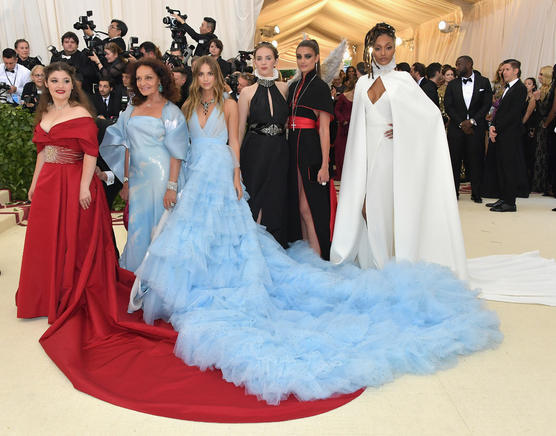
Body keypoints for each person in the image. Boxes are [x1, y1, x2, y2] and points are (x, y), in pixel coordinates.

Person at [121, 54, 501, 407]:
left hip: (221, 169)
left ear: (216, 76)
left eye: (209, 73)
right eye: (200, 73)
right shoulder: (187, 106)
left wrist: (236, 173)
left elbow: (234, 140)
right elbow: (182, 145)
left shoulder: (231, 101)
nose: (204, 78)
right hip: (195, 173)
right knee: (195, 234)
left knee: (232, 232)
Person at [330, 23, 467, 279]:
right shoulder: (361, 84)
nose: (383, 53)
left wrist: (404, 128)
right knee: (365, 204)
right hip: (366, 152)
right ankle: (372, 257)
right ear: (371, 49)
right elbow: (359, 122)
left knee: (386, 204)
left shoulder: (404, 80)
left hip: (391, 153)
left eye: (389, 47)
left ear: (395, 48)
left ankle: (388, 261)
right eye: (378, 48)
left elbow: (431, 116)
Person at [16, 61, 133, 322]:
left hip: (73, 179)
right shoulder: (44, 111)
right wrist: (34, 184)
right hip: (49, 181)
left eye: (66, 81)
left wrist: (83, 188)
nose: (61, 86)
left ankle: (71, 291)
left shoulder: (80, 113)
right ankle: (46, 293)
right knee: (47, 237)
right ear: (45, 83)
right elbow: (42, 153)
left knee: (72, 237)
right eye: (55, 81)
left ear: (74, 85)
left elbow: (91, 152)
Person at [98, 58, 188, 272]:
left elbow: (177, 154)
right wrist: (126, 181)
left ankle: (160, 280)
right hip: (138, 181)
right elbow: (127, 145)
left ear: (160, 80)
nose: (142, 82)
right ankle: (137, 278)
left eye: (148, 77)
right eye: (138, 78)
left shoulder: (171, 111)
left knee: (160, 228)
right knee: (139, 228)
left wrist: (172, 187)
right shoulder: (131, 109)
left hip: (162, 178)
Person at [287, 39, 335, 260]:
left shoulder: (320, 87)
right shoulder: (295, 86)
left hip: (310, 150)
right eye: (299, 56)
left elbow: (324, 130)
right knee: (297, 206)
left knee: (310, 207)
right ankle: (306, 255)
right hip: (292, 147)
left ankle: (318, 258)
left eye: (307, 56)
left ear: (316, 58)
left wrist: (325, 165)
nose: (303, 61)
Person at [238, 42, 289, 247]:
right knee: (255, 194)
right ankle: (254, 243)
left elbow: (287, 122)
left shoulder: (285, 88)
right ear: (254, 62)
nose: (264, 62)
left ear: (275, 61)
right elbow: (241, 128)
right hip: (254, 151)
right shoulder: (247, 92)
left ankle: (274, 243)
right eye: (259, 58)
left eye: (268, 58)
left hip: (279, 149)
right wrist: (236, 161)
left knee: (276, 195)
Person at [444, 55, 493, 202]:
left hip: (475, 129)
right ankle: (454, 193)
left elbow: (486, 104)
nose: (456, 67)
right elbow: (448, 106)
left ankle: (476, 193)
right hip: (456, 129)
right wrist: (461, 123)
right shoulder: (452, 84)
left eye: (459, 64)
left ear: (469, 64)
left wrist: (472, 121)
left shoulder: (484, 82)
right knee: (454, 161)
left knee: (476, 161)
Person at [486, 59, 526, 212]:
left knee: (509, 168)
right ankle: (504, 198)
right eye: (502, 70)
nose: (503, 72)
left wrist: (496, 128)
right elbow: (500, 111)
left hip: (510, 135)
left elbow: (513, 114)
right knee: (501, 167)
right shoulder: (507, 88)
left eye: (507, 69)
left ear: (516, 71)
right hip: (501, 133)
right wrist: (493, 126)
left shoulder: (520, 88)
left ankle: (510, 202)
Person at [533, 65, 555, 195]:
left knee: (542, 155)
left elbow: (543, 111)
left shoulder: (548, 91)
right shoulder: (543, 90)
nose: (539, 77)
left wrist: (536, 100)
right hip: (541, 125)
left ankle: (542, 184)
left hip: (545, 126)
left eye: (541, 74)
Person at [333, 77, 355, 181]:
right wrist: (342, 120)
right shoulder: (343, 96)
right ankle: (341, 173)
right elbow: (337, 110)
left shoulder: (362, 97)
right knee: (341, 151)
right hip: (344, 128)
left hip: (355, 128)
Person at [522, 77, 541, 185]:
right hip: (522, 127)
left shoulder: (533, 98)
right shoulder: (522, 96)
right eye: (525, 83)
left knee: (528, 154)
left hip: (528, 127)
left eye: (529, 84)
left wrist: (520, 125)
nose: (526, 85)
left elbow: (527, 115)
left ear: (533, 86)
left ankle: (528, 181)